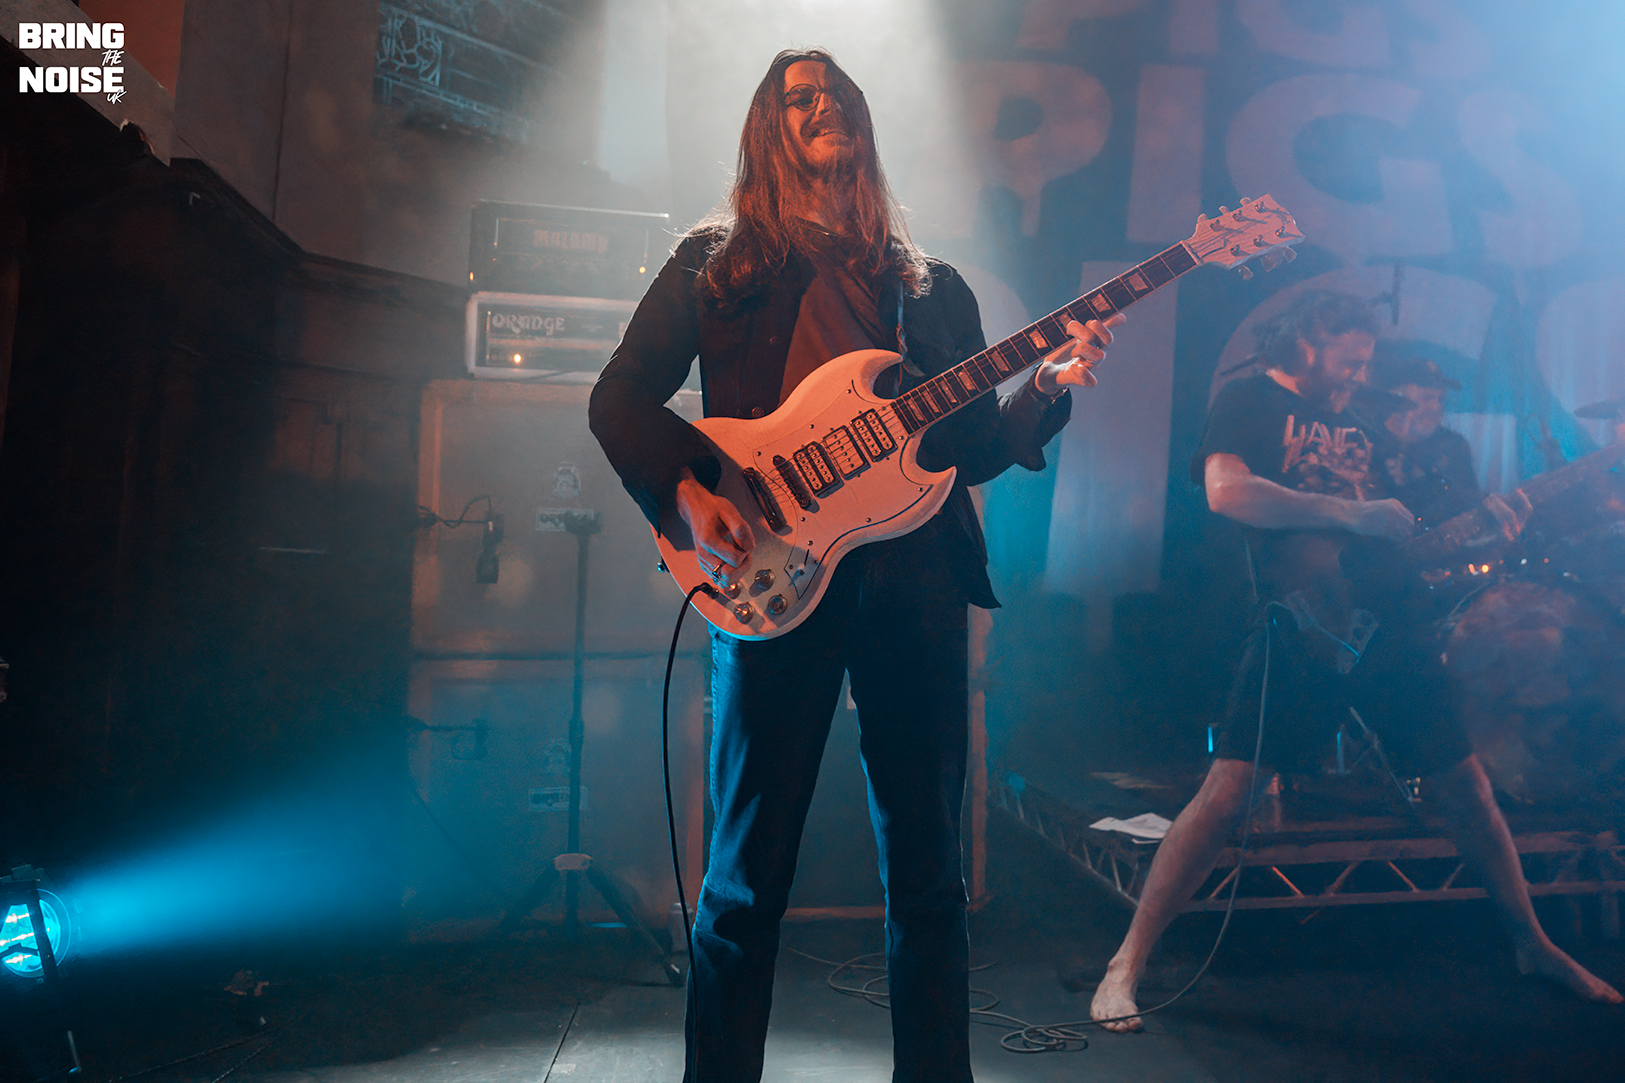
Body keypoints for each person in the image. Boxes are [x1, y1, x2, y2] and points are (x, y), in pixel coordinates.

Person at [589, 48, 1121, 1082]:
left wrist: (1046, 387)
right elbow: (618, 396)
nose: (823, 105)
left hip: (916, 585)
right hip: (771, 572)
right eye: (800, 97)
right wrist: (687, 492)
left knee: (928, 875)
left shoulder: (930, 289)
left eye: (838, 95)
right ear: (768, 128)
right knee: (743, 880)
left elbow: (971, 448)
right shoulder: (715, 263)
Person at [1087, 292, 1621, 1034]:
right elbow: (1227, 492)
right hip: (1303, 624)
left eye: (1366, 363)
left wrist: (1482, 534)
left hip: (1391, 625)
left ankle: (1532, 944)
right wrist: (1348, 512)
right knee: (1227, 796)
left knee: (1467, 788)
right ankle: (1126, 964)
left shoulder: (1366, 420)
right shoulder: (1249, 399)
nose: (1359, 374)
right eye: (1350, 359)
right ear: (1307, 340)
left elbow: (1410, 536)